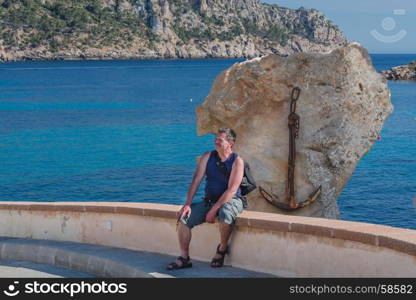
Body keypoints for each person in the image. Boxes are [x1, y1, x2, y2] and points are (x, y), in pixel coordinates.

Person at [167, 128, 245, 270]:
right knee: (184, 219)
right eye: (215, 139)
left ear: (230, 143)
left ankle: (221, 249)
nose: (216, 142)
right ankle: (184, 258)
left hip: (232, 200)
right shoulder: (208, 156)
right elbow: (196, 180)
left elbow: (232, 190)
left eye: (220, 140)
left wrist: (214, 209)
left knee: (225, 213)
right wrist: (187, 204)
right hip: (210, 200)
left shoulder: (237, 161)